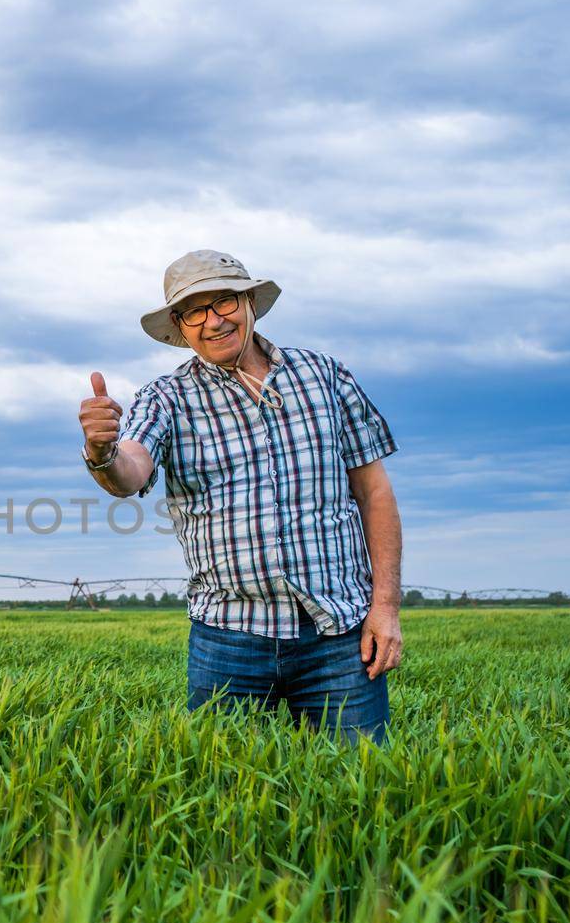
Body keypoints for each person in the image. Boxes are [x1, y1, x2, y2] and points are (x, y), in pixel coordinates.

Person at [78, 249, 402, 745]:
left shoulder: (324, 376)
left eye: (224, 300)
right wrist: (102, 450)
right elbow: (130, 470)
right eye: (194, 311)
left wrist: (385, 608)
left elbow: (375, 493)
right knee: (225, 797)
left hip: (338, 633)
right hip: (228, 637)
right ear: (180, 328)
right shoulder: (166, 397)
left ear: (249, 301)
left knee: (361, 791)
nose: (213, 321)